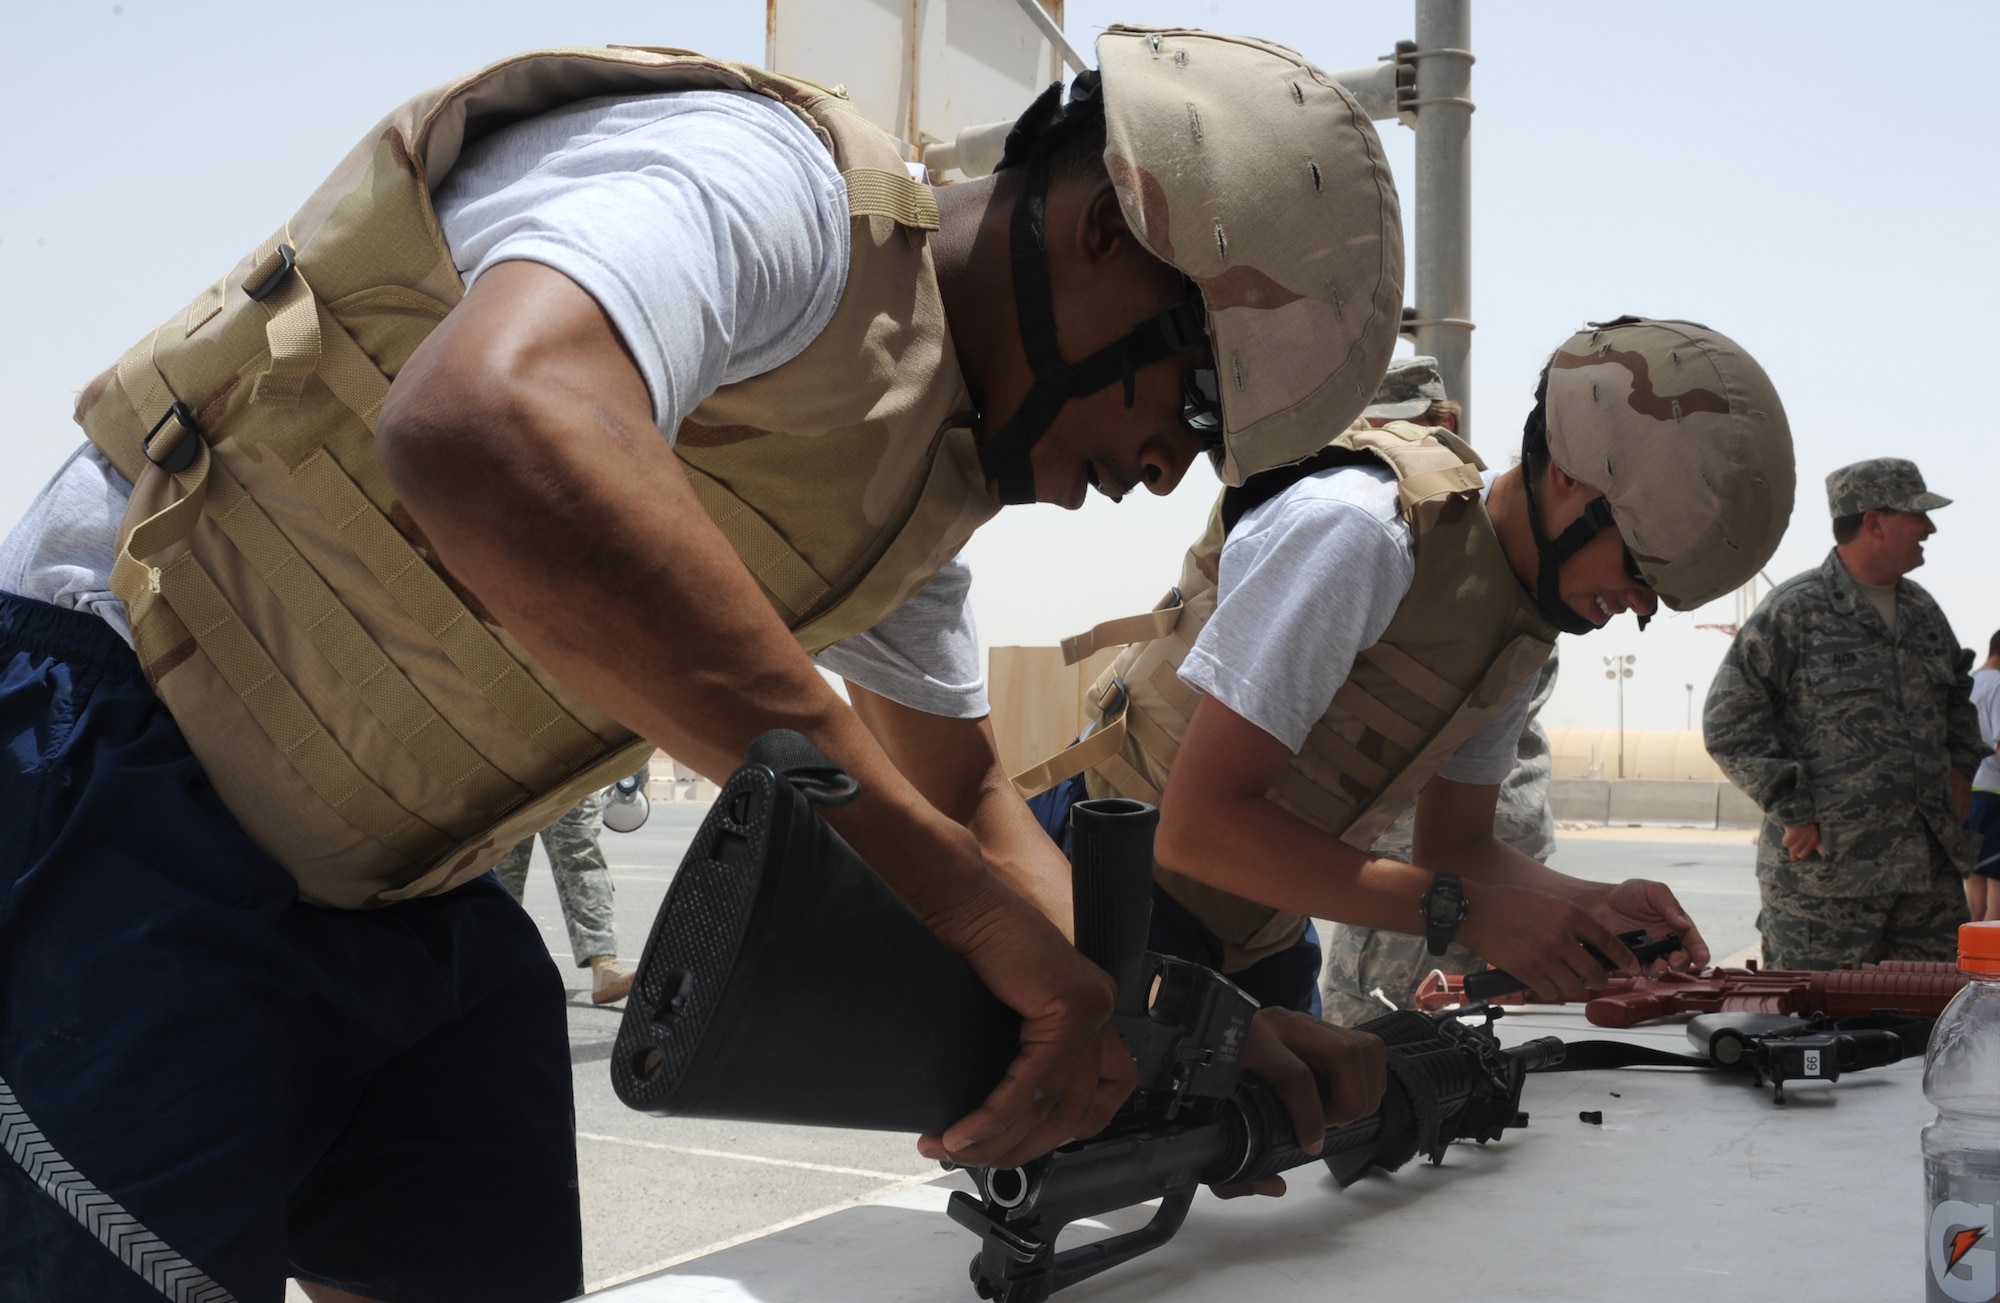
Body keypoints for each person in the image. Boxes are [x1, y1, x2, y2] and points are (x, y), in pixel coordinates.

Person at [0, 33, 1403, 1303]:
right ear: (1103, 227)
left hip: (399, 890)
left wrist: (1180, 1024)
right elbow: (485, 419)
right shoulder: (764, 185)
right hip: (118, 786)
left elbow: (966, 800)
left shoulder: (913, 487)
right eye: (1193, 394)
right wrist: (959, 901)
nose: (1166, 466)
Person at [1020, 320, 1796, 1015]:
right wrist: (1475, 914)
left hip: (1255, 933)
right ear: (1568, 476)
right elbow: (1197, 829)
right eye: (1638, 564)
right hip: (1099, 893)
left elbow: (1455, 850)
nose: (1638, 605)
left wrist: (1597, 906)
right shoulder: (1365, 532)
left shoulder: (1521, 617)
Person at [1705, 458, 1984, 968]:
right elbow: (1729, 723)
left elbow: (1958, 700)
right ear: (1875, 522)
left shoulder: (1924, 614)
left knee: (1935, 1030)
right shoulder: (1793, 612)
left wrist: (1962, 769)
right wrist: (1794, 807)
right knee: (1815, 1035)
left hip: (1926, 883)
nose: (1930, 527)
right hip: (1827, 886)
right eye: (1916, 514)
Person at [1320, 645, 1560, 1024]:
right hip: (1482, 831)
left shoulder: (1460, 601)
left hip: (1422, 851)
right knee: (1475, 1036)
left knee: (1390, 1039)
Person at [495, 789, 636, 1004]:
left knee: (582, 858)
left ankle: (604, 964)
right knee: (499, 864)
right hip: (510, 770)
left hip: (572, 772)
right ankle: (492, 967)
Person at [1971, 631, 2000, 919]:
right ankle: (1993, 961)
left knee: (1974, 879)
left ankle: (1967, 955)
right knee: (1997, 889)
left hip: (1968, 792)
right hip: (1995, 796)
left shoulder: (1967, 681)